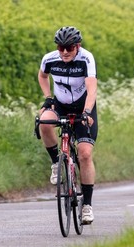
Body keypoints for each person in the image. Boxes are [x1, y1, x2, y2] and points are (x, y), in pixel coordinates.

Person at [37, 26, 98, 224]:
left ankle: (87, 206)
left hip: (83, 108)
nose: (64, 52)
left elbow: (91, 88)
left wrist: (87, 112)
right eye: (61, 47)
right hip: (60, 104)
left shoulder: (86, 59)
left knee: (85, 154)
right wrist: (47, 98)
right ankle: (56, 162)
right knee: (44, 121)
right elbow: (42, 76)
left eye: (69, 48)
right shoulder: (50, 58)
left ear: (77, 46)